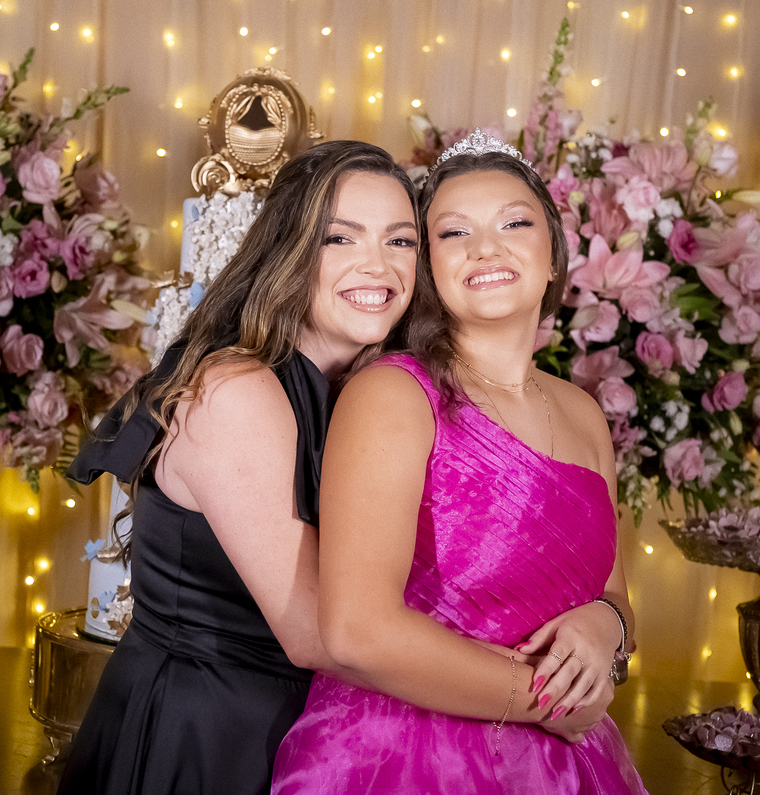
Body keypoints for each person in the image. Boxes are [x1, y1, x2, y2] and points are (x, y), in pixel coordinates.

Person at [272, 132, 648, 794]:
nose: (485, 248)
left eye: (514, 223)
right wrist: (547, 700)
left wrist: (606, 624)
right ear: (428, 269)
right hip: (402, 759)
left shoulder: (584, 413)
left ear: (554, 255)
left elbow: (614, 594)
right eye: (453, 233)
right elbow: (357, 631)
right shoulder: (392, 395)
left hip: (566, 768)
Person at [55, 140, 421, 795]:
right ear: (287, 251)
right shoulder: (236, 390)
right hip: (209, 739)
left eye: (401, 241)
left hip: (316, 736)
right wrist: (521, 685)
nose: (379, 265)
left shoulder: (374, 394)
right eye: (340, 238)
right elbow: (318, 636)